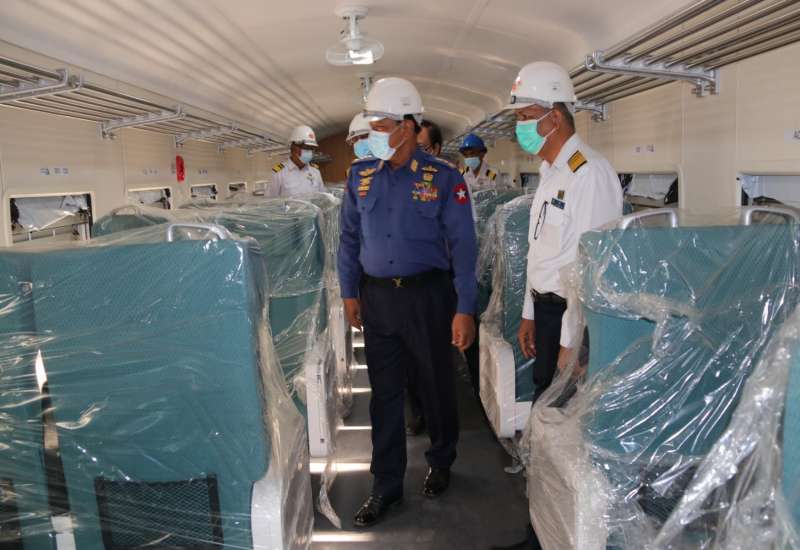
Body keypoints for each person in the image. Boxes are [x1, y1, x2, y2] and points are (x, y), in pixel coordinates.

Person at [491, 61, 623, 550]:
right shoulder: (550, 173)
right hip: (547, 314)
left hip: (574, 320)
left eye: (526, 117)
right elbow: (541, 254)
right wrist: (529, 313)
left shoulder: (590, 173)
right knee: (546, 425)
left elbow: (590, 269)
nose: (520, 127)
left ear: (555, 116)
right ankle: (541, 530)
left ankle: (559, 536)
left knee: (566, 434)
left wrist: (572, 340)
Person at [338, 77, 478, 528]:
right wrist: (348, 292)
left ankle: (441, 459)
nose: (374, 135)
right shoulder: (359, 176)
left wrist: (465, 307)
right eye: (372, 126)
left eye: (382, 126)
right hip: (377, 298)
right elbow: (348, 240)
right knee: (385, 395)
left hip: (428, 296)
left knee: (435, 383)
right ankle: (386, 485)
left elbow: (464, 246)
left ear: (407, 126)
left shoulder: (444, 177)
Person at [269, 124, 325, 197]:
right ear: (293, 147)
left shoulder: (315, 172)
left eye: (311, 148)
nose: (309, 152)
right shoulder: (279, 173)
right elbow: (269, 201)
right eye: (306, 147)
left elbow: (322, 197)